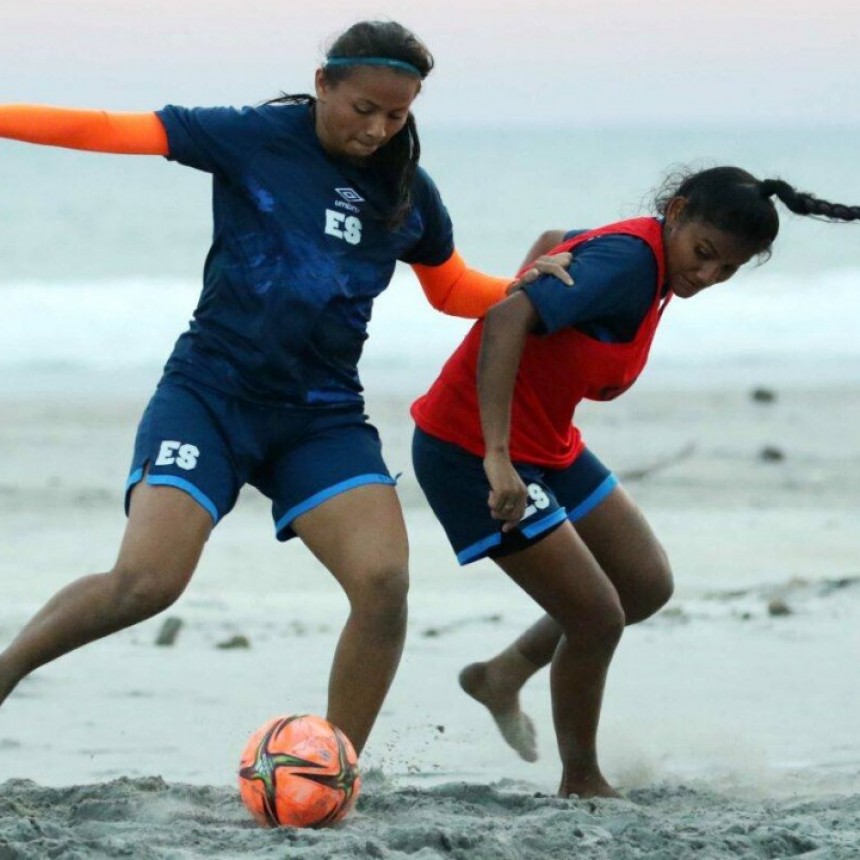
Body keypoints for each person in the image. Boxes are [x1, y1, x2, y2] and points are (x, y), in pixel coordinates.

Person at [0, 20, 571, 756]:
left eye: (396, 116)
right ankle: (6, 672)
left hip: (321, 419)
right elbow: (110, 129)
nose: (377, 129)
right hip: (210, 396)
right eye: (363, 108)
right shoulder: (253, 138)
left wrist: (523, 288)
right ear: (323, 82)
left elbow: (452, 287)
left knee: (384, 585)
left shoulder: (407, 191)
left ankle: (334, 769)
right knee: (146, 582)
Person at [411, 166, 860, 797]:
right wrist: (496, 454)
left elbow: (555, 236)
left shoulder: (647, 253)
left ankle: (501, 674)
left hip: (548, 442)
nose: (706, 277)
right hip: (469, 449)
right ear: (676, 212)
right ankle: (582, 780)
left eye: (727, 269)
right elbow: (505, 321)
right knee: (596, 618)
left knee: (643, 585)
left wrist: (532, 272)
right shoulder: (628, 263)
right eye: (704, 254)